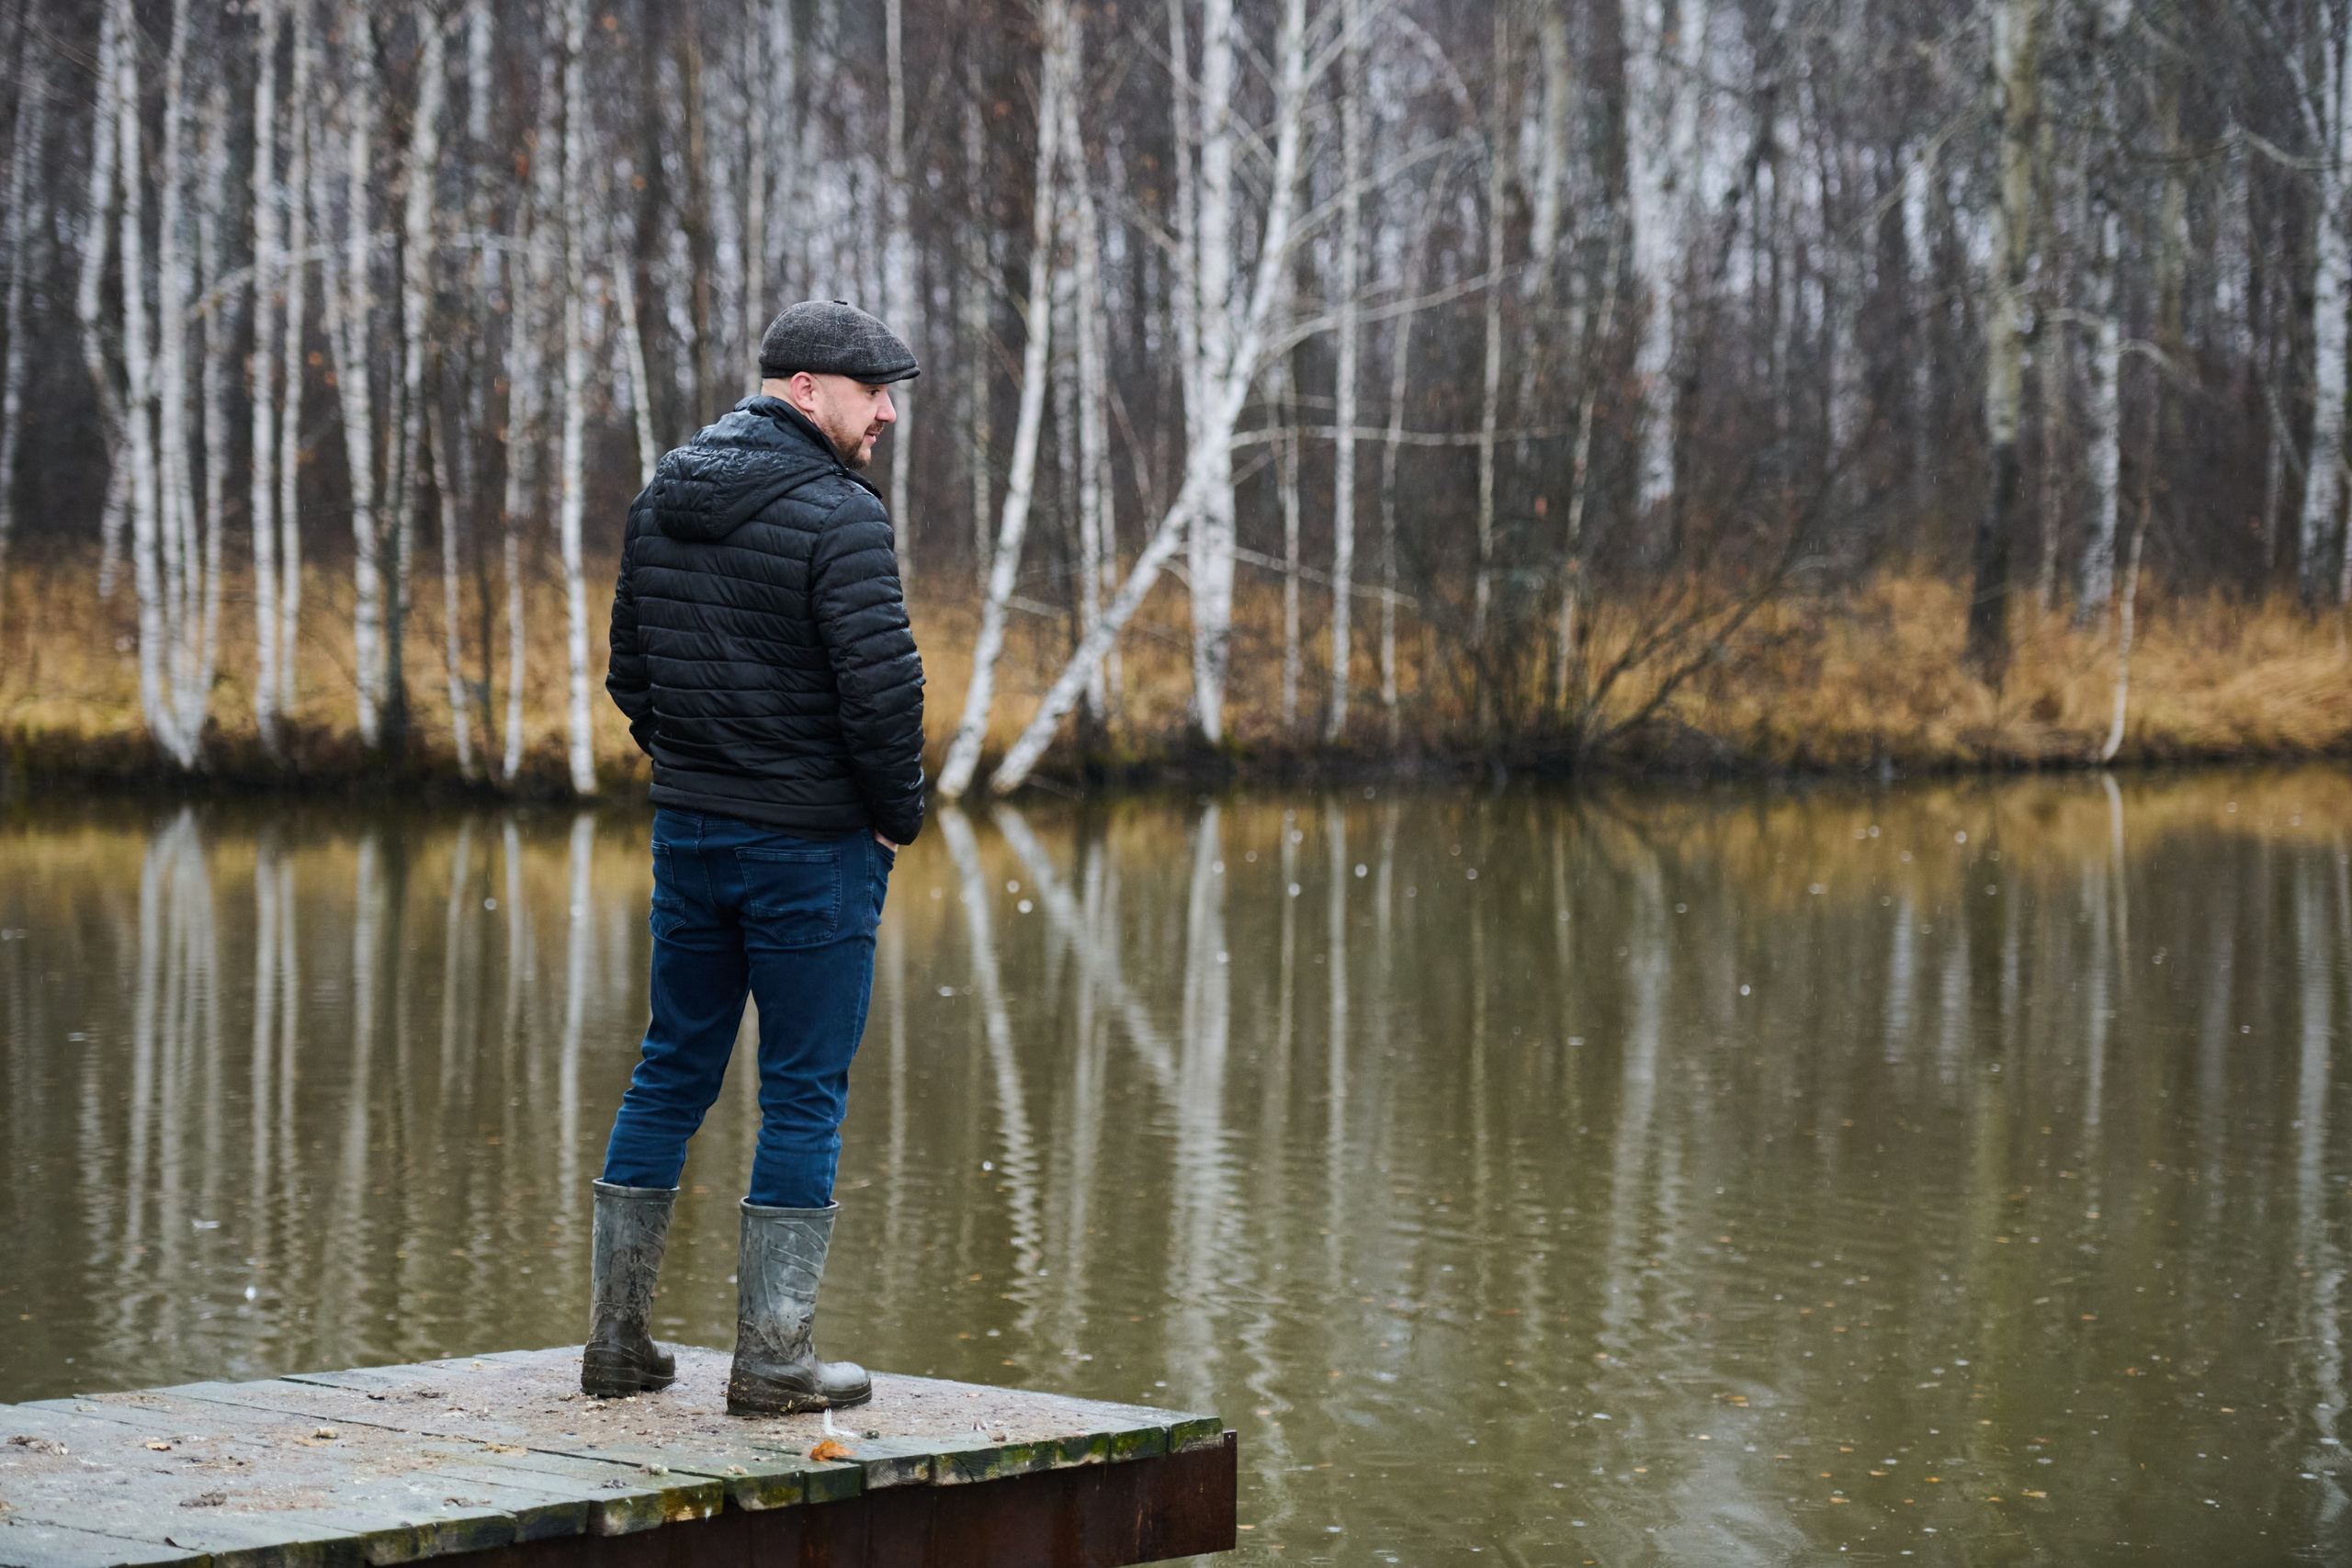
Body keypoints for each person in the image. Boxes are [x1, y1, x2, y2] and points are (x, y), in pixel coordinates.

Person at [588, 300, 926, 1416]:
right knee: (802, 1097)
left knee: (670, 1068)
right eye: (870, 389)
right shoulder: (839, 517)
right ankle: (773, 1364)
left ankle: (618, 1349)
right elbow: (883, 695)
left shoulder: (663, 494)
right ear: (802, 387)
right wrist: (894, 818)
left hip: (688, 834)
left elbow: (629, 675)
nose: (885, 412)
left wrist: (694, 769)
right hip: (811, 849)